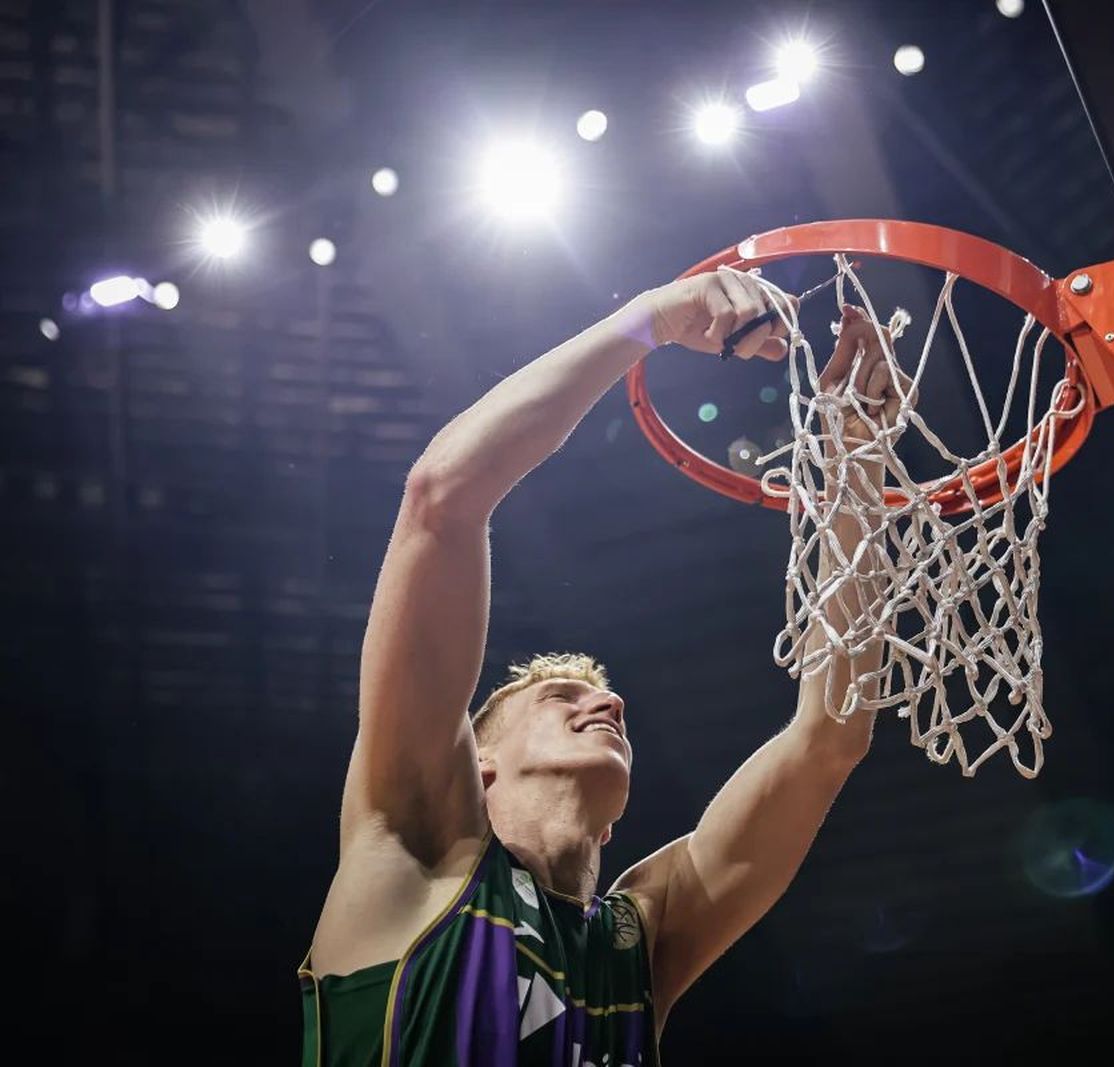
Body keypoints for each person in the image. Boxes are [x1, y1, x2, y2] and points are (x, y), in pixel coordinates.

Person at [299, 267, 914, 1066]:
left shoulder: (641, 935)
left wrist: (856, 463)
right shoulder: (412, 850)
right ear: (476, 767)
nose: (611, 704)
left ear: (615, 820)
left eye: (600, 697)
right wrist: (649, 320)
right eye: (563, 697)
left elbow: (828, 734)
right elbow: (442, 497)